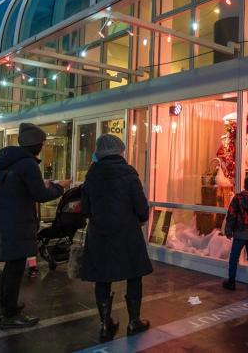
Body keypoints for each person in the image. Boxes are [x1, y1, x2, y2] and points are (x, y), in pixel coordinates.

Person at [0, 123, 70, 328]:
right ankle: (10, 314)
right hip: (18, 222)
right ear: (35, 143)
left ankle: (7, 306)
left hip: (6, 219)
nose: (43, 147)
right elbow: (40, 195)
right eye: (42, 143)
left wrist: (40, 185)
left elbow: (18, 189)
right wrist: (59, 187)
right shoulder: (27, 164)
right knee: (16, 267)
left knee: (11, 266)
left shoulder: (8, 162)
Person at [80, 134, 153, 342]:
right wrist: (139, 218)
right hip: (127, 234)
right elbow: (141, 207)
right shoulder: (128, 173)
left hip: (100, 235)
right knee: (134, 275)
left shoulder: (91, 175)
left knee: (102, 279)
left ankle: (105, 324)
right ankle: (134, 321)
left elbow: (85, 208)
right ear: (119, 152)